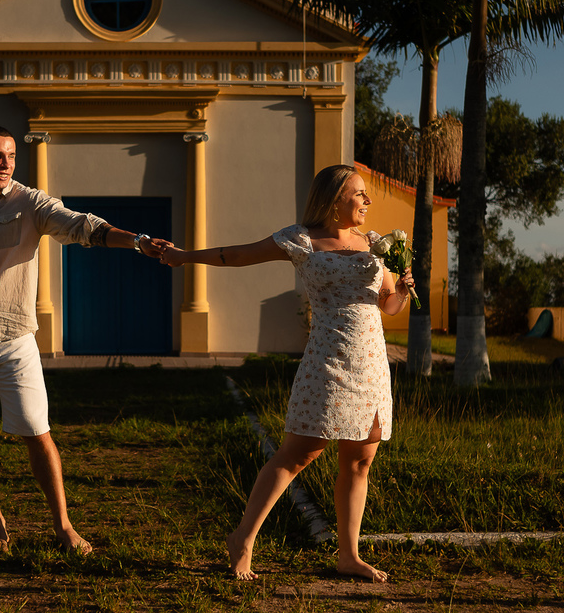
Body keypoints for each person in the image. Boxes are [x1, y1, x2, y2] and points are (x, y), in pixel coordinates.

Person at [0, 124, 167, 555]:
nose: (5, 163)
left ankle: (64, 527)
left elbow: (83, 226)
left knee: (35, 431)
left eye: (10, 156)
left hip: (12, 337)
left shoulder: (32, 203)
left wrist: (136, 242)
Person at [158, 164, 413, 583]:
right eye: (359, 194)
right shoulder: (302, 238)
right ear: (334, 199)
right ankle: (243, 538)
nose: (368, 201)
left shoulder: (374, 244)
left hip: (371, 362)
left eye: (367, 195)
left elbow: (387, 305)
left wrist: (401, 289)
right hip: (328, 361)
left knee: (360, 460)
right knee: (299, 453)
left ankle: (348, 555)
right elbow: (238, 254)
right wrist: (187, 257)